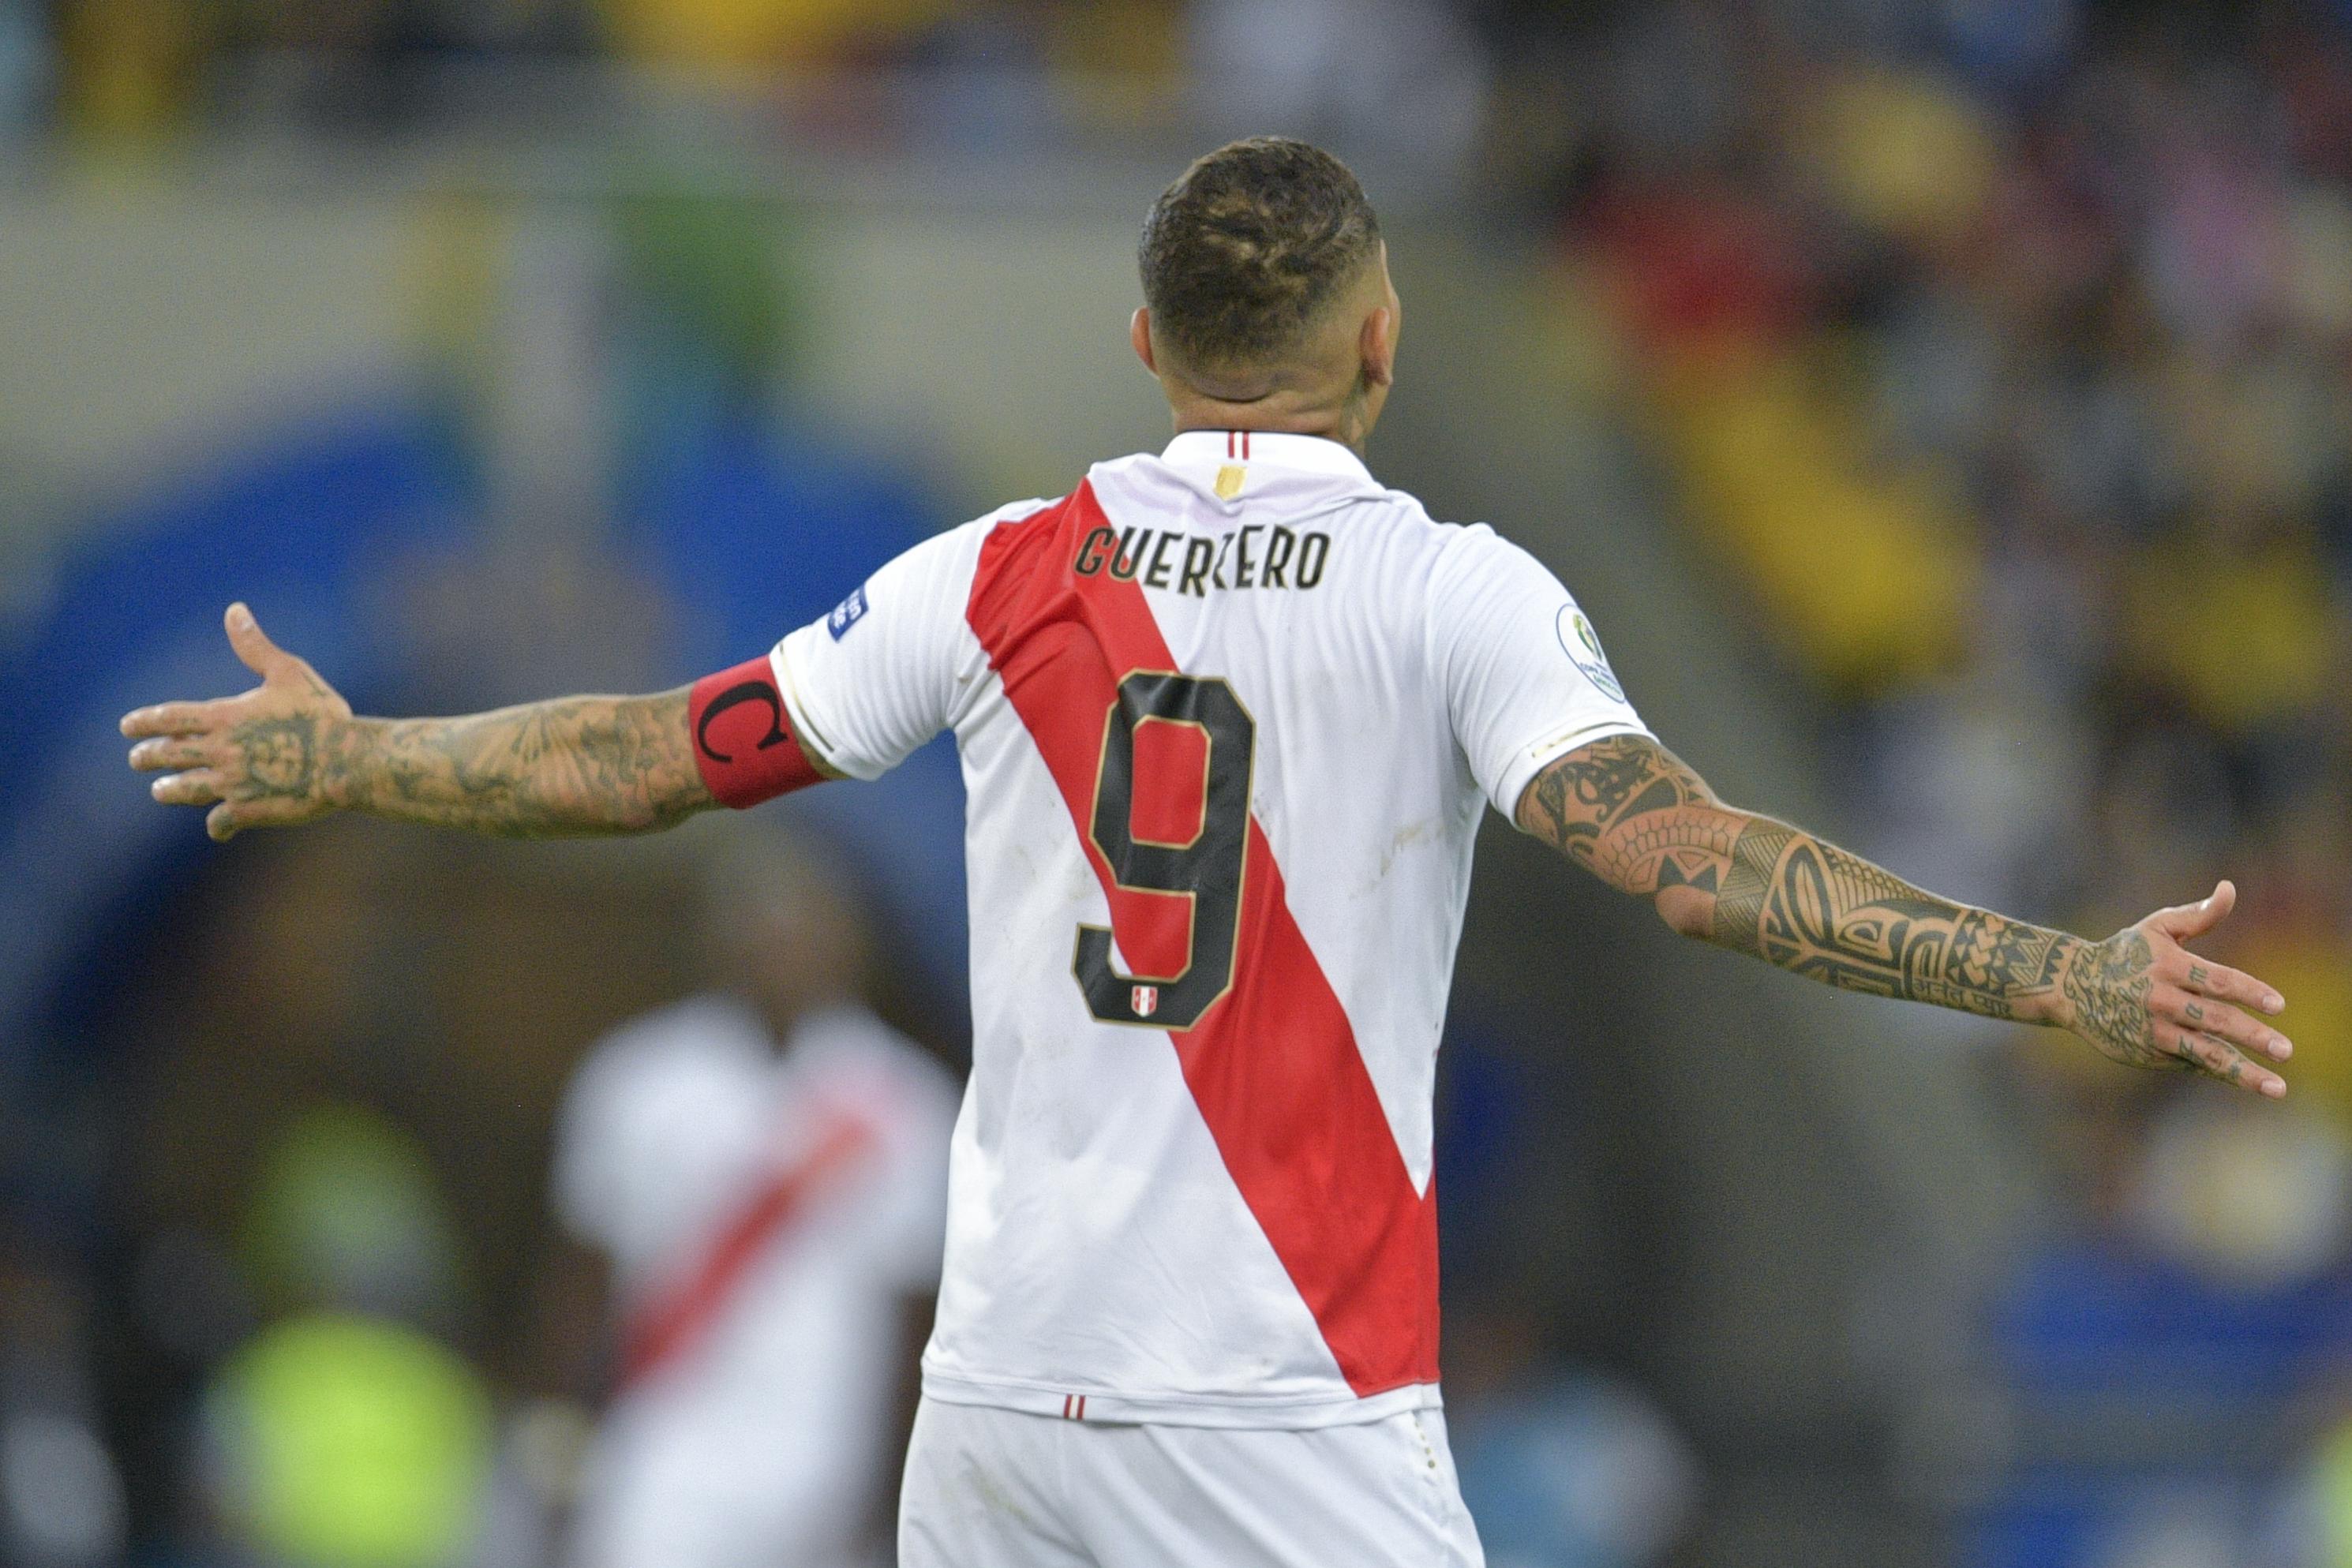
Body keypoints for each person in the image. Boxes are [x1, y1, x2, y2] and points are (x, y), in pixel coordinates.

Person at [121, 137, 2293, 1568]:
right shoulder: (1454, 589)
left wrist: (365, 755)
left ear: (1150, 346)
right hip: (1277, 1394)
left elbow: (657, 755)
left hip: (1002, 1405)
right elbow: (1693, 860)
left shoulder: (998, 574)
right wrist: (2064, 977)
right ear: (1379, 340)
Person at [551, 828, 956, 1568]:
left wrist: (899, 1486)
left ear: (851, 941)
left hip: (828, 1453)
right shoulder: (640, 1078)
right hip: (664, 1441)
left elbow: (918, 1325)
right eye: (759, 921)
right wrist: (559, 1441)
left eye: (805, 923)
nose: (781, 945)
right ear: (719, 937)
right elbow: (583, 1284)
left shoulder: (904, 1101)